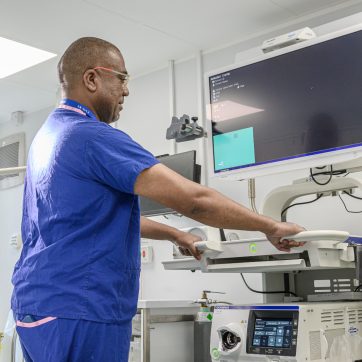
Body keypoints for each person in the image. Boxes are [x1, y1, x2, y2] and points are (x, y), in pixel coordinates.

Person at [11, 37, 304, 362]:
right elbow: (195, 201)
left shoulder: (47, 139)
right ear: (92, 78)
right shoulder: (91, 136)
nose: (126, 91)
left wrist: (175, 234)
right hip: (82, 307)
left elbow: (90, 218)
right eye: (121, 78)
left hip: (35, 305)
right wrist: (269, 226)